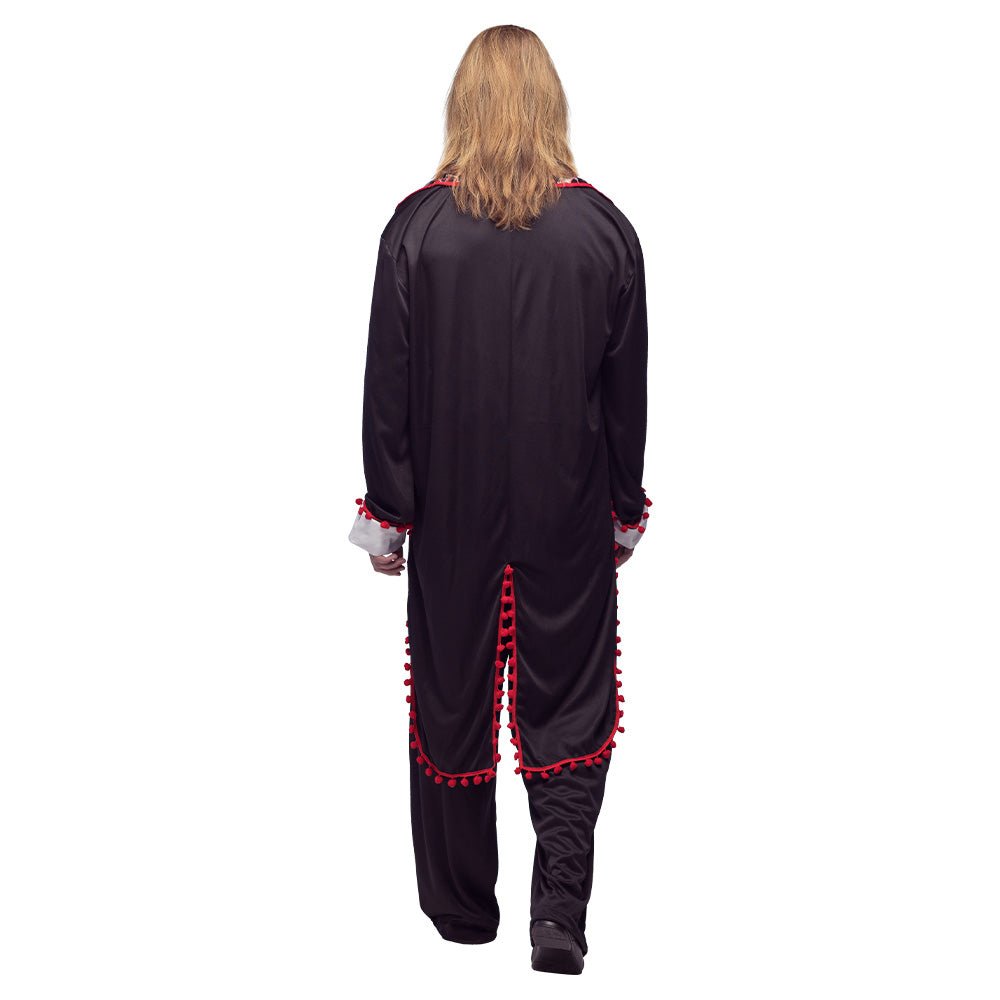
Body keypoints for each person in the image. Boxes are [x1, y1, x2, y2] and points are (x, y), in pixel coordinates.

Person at [348, 25, 652, 975]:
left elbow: (388, 390)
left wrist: (389, 516)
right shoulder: (604, 232)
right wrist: (623, 508)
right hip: (568, 512)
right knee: (570, 700)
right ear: (551, 103)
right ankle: (558, 913)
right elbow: (626, 396)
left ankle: (460, 911)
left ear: (463, 104)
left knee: (453, 696)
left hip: (453, 518)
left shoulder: (418, 229)